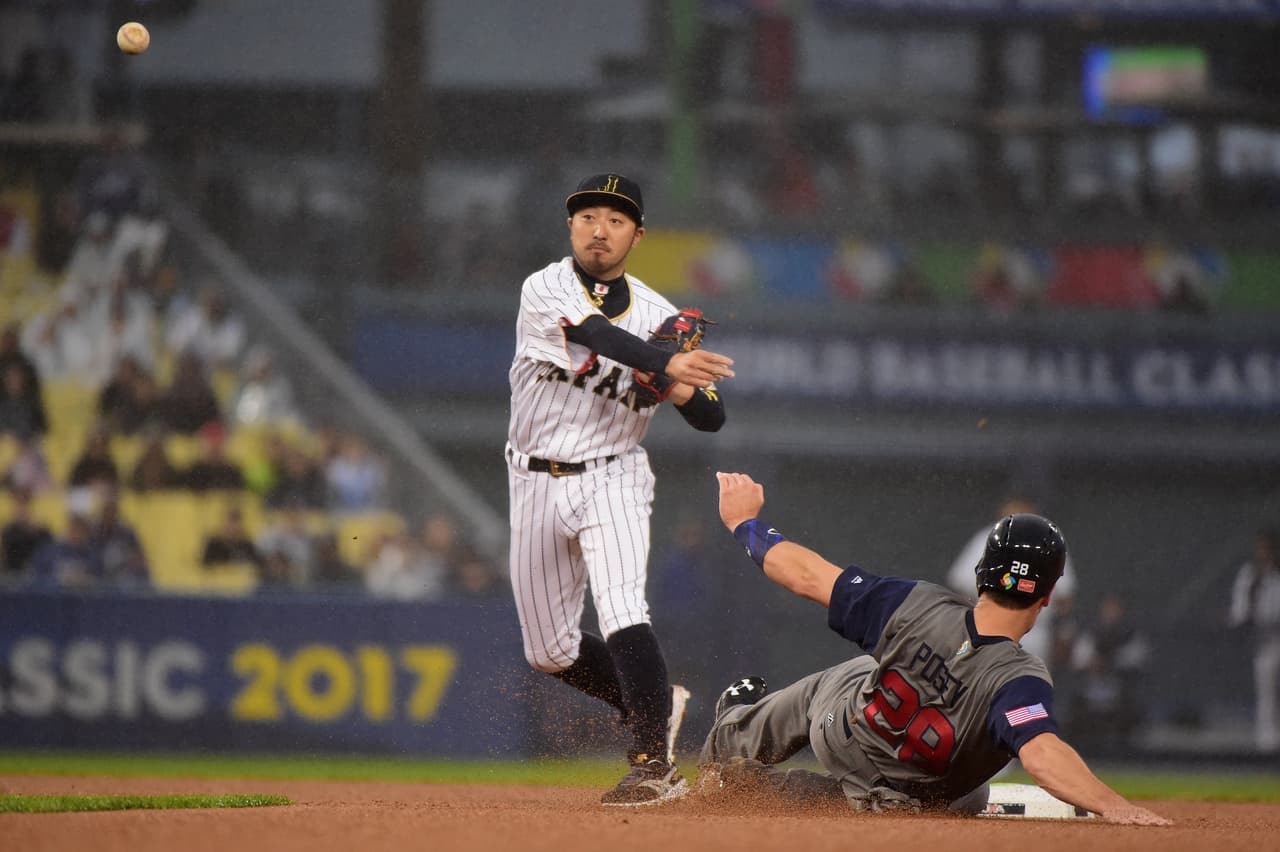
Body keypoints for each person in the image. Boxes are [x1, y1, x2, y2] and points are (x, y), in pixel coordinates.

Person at [698, 471, 1171, 826]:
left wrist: (745, 523)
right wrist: (1115, 806)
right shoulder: (1019, 679)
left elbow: (807, 575)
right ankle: (752, 786)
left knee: (851, 674)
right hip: (907, 800)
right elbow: (1042, 754)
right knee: (972, 793)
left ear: (982, 570)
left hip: (844, 732)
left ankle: (731, 737)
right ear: (1048, 595)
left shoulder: (915, 604)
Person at [505, 173, 735, 807]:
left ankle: (651, 765)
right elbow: (596, 336)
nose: (599, 229)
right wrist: (660, 364)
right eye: (587, 216)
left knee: (621, 606)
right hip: (532, 476)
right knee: (548, 650)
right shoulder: (544, 286)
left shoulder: (660, 314)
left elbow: (712, 416)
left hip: (614, 474)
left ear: (637, 234)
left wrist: (676, 382)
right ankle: (658, 701)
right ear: (570, 226)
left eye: (615, 218)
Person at [946, 495, 1076, 666]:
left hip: (1033, 633)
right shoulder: (986, 539)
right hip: (988, 629)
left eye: (1022, 509)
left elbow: (1064, 597)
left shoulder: (1048, 541)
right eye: (1012, 509)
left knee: (1029, 688)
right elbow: (960, 587)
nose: (1016, 513)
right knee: (987, 687)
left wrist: (1065, 633)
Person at [1227, 529, 1280, 753]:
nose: (1264, 552)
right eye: (1261, 547)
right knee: (1267, 690)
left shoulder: (1275, 573)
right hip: (1265, 637)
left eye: (1268, 547)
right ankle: (1267, 742)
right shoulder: (1251, 574)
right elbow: (1239, 612)